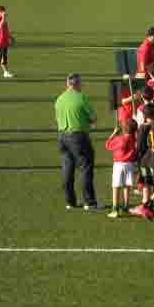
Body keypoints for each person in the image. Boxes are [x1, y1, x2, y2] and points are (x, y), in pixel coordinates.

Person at [55, 73, 98, 209]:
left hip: (62, 136)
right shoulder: (82, 97)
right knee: (85, 167)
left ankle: (70, 202)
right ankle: (89, 202)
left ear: (68, 84)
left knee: (67, 169)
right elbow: (93, 117)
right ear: (78, 84)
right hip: (78, 136)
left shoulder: (59, 99)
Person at [105, 119, 138, 218]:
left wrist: (114, 133)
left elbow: (108, 145)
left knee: (116, 186)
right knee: (127, 186)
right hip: (130, 164)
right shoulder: (134, 139)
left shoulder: (120, 139)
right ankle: (126, 206)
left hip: (119, 164)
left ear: (124, 129)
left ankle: (115, 209)